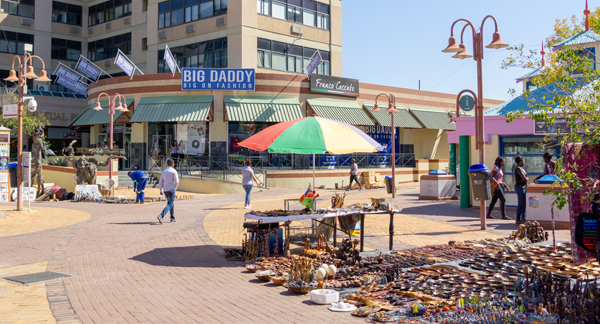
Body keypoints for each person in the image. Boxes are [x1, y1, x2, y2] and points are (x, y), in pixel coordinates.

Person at [157, 158, 179, 224]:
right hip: (171, 189)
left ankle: (172, 218)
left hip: (165, 190)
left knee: (170, 203)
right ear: (172, 164)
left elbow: (160, 182)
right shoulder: (173, 171)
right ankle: (161, 215)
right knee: (170, 204)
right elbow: (177, 181)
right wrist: (175, 188)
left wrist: (161, 189)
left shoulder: (163, 171)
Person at [513, 155, 528, 224]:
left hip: (523, 187)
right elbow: (524, 178)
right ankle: (518, 218)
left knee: (524, 203)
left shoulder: (522, 168)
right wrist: (527, 179)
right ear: (519, 162)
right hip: (519, 188)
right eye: (522, 161)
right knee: (520, 203)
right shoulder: (518, 169)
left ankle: (523, 217)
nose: (524, 162)